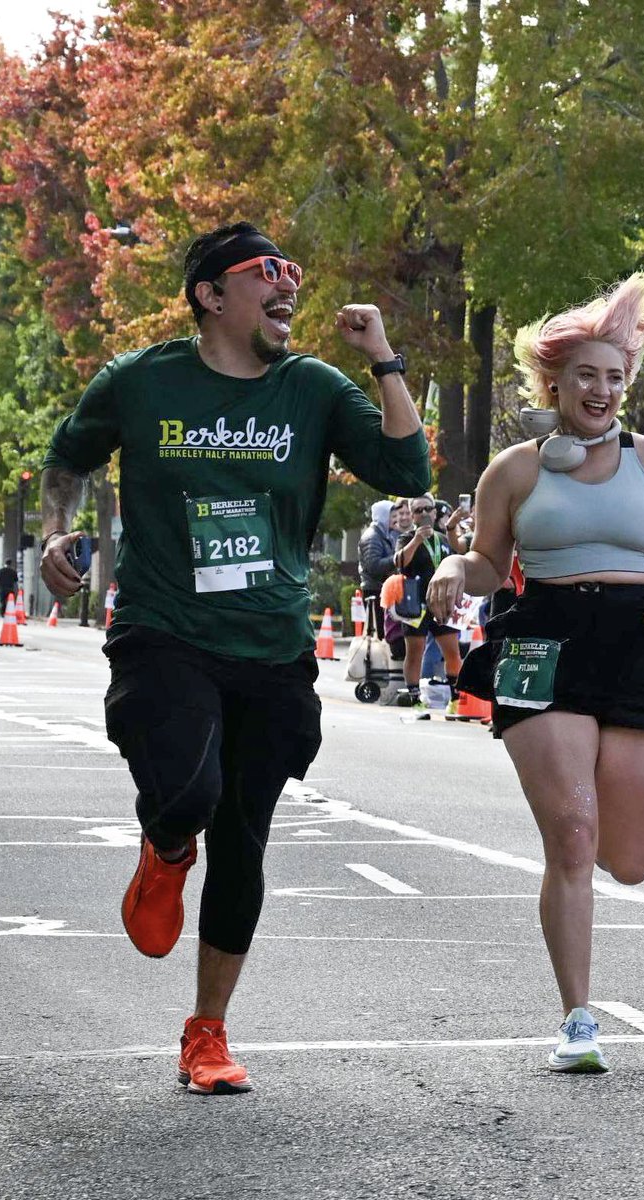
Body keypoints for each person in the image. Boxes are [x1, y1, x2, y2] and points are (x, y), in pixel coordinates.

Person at [38, 221, 430, 1095]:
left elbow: (406, 469)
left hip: (271, 645)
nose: (289, 286)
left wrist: (384, 359)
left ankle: (207, 1033)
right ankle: (166, 846)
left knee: (245, 841)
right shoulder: (143, 382)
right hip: (164, 631)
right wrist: (59, 536)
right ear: (212, 295)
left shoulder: (314, 389)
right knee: (188, 793)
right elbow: (67, 459)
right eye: (267, 274)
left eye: (295, 271)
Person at [427, 274, 644, 1073]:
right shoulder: (516, 470)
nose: (601, 390)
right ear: (553, 383)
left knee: (627, 858)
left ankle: (581, 884)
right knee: (573, 835)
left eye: (615, 377)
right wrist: (455, 565)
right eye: (586, 376)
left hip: (638, 641)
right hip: (543, 641)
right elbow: (491, 564)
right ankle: (578, 1021)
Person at [393, 493, 463, 714]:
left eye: (427, 509)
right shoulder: (406, 538)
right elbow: (400, 562)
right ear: (412, 516)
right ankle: (415, 699)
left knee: (452, 651)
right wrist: (417, 540)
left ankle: (456, 699)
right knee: (415, 651)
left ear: (434, 512)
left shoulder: (443, 539)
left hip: (442, 602)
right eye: (418, 510)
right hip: (415, 604)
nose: (423, 514)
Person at [357, 499, 403, 635]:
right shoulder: (372, 537)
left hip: (381, 589)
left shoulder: (385, 535)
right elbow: (374, 566)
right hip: (374, 591)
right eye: (392, 516)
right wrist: (396, 558)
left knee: (383, 632)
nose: (396, 520)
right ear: (383, 516)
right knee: (378, 633)